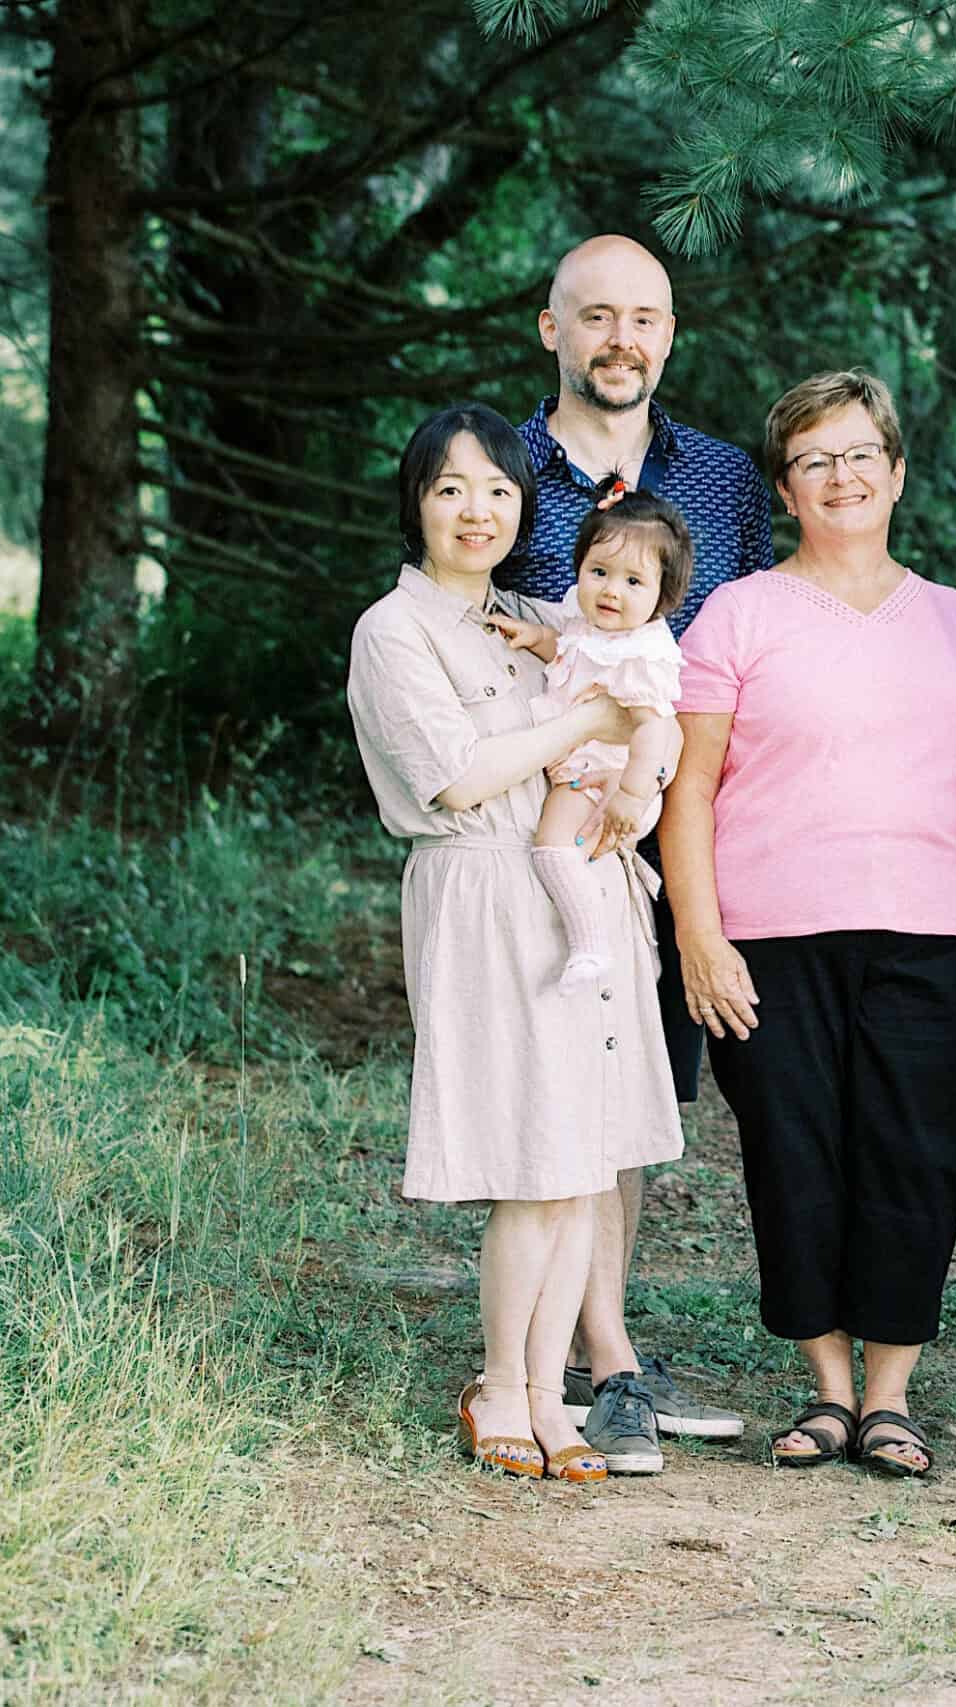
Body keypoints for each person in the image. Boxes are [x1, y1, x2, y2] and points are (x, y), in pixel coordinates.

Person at [664, 371, 956, 1479]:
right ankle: (823, 1391)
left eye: (862, 455)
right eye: (816, 461)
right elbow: (688, 787)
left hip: (926, 931)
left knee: (916, 1159)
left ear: (897, 473)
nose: (843, 476)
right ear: (785, 489)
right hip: (765, 937)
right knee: (795, 1157)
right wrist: (698, 937)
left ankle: (891, 1397)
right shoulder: (737, 613)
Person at [346, 400, 684, 1484]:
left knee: (584, 1164)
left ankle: (550, 1393)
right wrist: (589, 724)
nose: (476, 509)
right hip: (488, 890)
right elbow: (460, 775)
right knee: (534, 1159)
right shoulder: (392, 632)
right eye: (451, 488)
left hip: (589, 881)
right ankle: (497, 1383)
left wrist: (638, 773)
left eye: (497, 488)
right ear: (417, 505)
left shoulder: (548, 612)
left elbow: (655, 716)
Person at [493, 233, 772, 1466]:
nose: (621, 339)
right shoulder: (497, 467)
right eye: (594, 315)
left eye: (644, 318)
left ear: (669, 334)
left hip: (661, 826)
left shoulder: (718, 479)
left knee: (629, 1079)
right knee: (555, 1082)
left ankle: (597, 1354)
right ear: (550, 328)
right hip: (530, 825)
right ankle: (574, 1361)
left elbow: (748, 650)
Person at [489, 478, 689, 993]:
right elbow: (570, 649)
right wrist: (534, 636)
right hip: (595, 773)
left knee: (553, 847)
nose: (610, 590)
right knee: (560, 848)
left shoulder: (643, 654)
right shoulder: (591, 627)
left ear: (662, 597)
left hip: (613, 782)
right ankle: (595, 942)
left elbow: (651, 729)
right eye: (599, 572)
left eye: (633, 582)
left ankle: (590, 946)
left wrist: (631, 794)